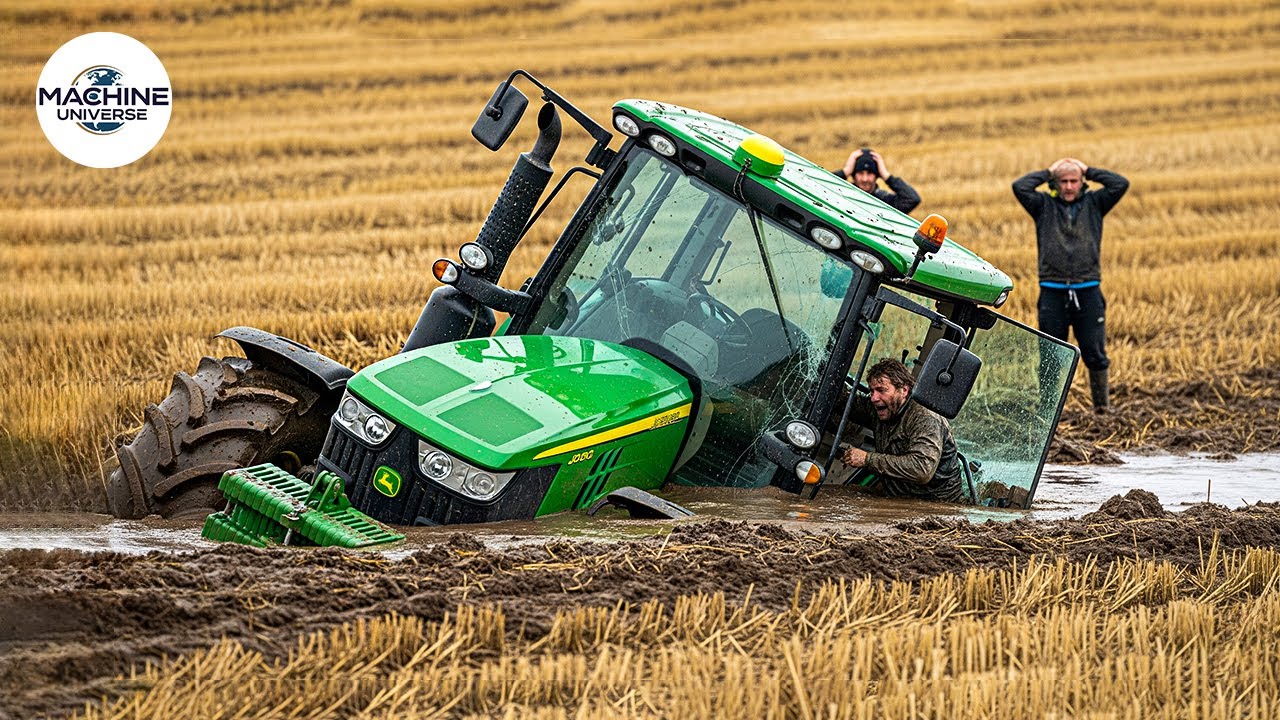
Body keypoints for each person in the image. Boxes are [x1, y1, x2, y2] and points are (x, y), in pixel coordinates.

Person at [1012, 158, 1129, 412]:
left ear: (1081, 183)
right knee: (1050, 357)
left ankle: (1102, 410)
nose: (1068, 186)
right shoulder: (1043, 205)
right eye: (1063, 181)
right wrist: (1048, 171)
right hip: (1052, 292)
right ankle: (1048, 413)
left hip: (1088, 291)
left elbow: (1120, 184)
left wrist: (1088, 169)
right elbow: (1020, 187)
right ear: (1055, 183)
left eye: (1073, 181)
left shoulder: (1095, 203)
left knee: (1095, 354)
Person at [835, 358, 968, 504]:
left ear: (903, 390)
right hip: (897, 498)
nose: (873, 398)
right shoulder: (880, 409)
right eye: (872, 391)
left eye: (881, 390)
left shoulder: (924, 417)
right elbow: (847, 403)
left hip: (936, 505)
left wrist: (867, 459)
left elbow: (921, 469)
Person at [833, 148, 921, 213]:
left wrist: (886, 176)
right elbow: (820, 188)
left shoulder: (884, 202)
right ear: (853, 175)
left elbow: (912, 199)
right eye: (860, 173)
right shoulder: (843, 196)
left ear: (877, 176)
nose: (865, 179)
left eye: (870, 173)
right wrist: (845, 172)